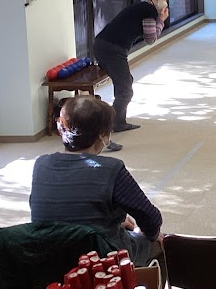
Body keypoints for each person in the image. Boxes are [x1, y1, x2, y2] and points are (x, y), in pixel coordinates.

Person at [29, 97, 163, 266]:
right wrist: (145, 234)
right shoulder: (111, 169)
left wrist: (112, 222)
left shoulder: (41, 164)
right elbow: (150, 218)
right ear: (102, 135)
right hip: (100, 260)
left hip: (50, 258)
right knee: (160, 242)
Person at [93, 0, 168, 151]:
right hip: (112, 49)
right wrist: (161, 21)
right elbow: (150, 39)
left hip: (102, 45)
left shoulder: (140, 7)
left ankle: (119, 122)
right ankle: (104, 132)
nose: (166, 2)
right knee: (125, 90)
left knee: (125, 83)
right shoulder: (148, 10)